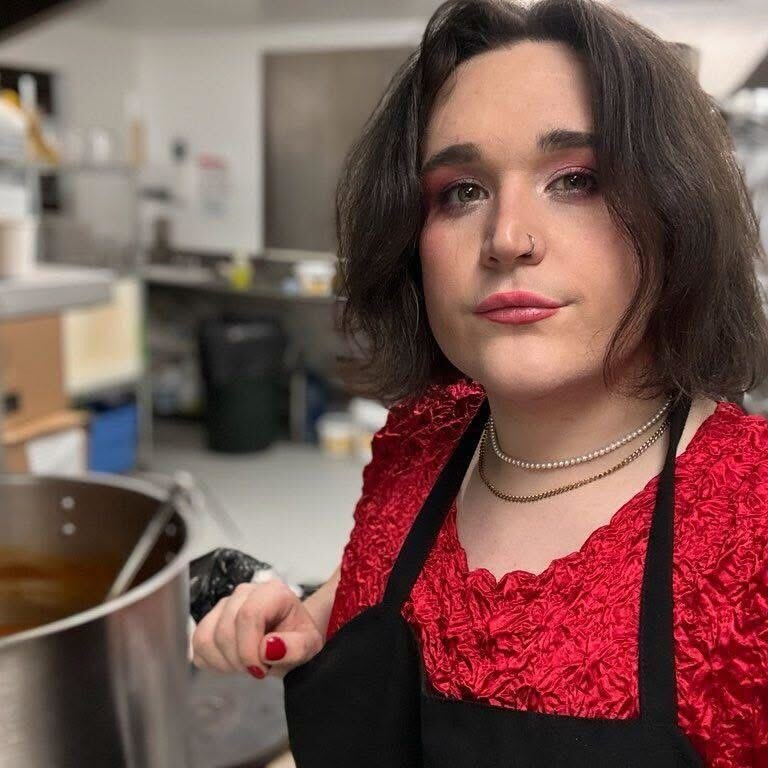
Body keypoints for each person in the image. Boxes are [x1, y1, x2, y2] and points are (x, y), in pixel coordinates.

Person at [191, 0, 768, 764]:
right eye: (461, 191)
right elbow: (377, 592)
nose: (505, 238)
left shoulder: (752, 520)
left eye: (576, 179)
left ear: (675, 209)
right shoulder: (420, 442)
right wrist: (308, 616)